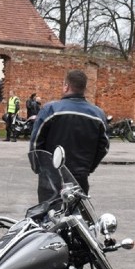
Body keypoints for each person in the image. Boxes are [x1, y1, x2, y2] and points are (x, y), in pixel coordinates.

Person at [30, 70, 109, 201]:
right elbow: (104, 147)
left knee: (48, 216)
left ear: (66, 86)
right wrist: (88, 168)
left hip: (52, 175)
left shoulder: (50, 110)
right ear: (84, 89)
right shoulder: (98, 114)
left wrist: (39, 168)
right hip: (79, 176)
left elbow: (36, 142)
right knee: (78, 216)